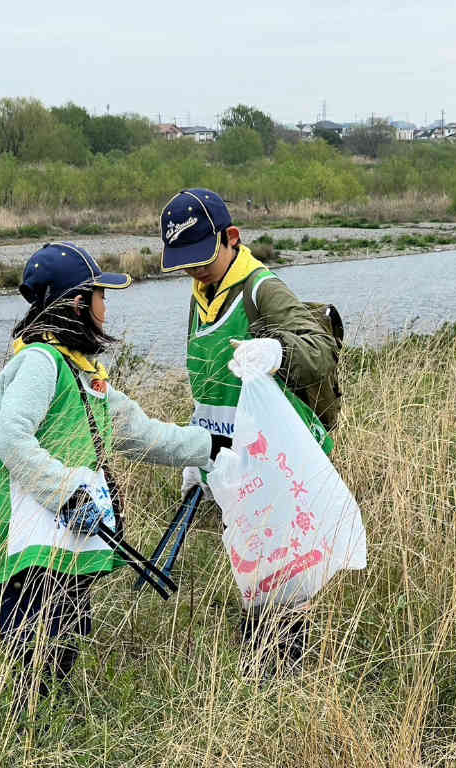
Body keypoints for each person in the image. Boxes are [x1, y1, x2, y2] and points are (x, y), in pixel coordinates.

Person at [0, 242, 212, 703]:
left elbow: (143, 435)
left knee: (59, 656)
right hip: (27, 547)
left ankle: (42, 738)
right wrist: (66, 493)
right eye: (101, 297)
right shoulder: (39, 363)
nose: (107, 308)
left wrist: (215, 448)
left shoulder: (86, 374)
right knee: (36, 665)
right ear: (78, 303)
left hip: (60, 543)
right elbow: (10, 437)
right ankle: (27, 741)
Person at [159, 189, 341, 666]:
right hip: (233, 461)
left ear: (231, 238)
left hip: (277, 457)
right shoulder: (202, 295)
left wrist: (277, 352)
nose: (193, 269)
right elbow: (211, 390)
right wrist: (199, 452)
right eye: (184, 261)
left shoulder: (262, 289)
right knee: (253, 572)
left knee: (282, 578)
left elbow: (320, 352)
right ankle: (269, 679)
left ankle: (283, 683)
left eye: (202, 256)